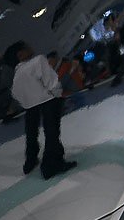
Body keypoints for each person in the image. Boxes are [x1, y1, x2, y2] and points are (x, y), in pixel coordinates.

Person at [8, 41, 77, 179]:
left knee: (31, 134)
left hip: (30, 106)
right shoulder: (38, 61)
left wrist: (26, 103)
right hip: (48, 101)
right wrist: (57, 94)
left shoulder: (18, 71)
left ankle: (30, 161)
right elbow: (51, 81)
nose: (31, 47)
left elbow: (15, 93)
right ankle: (51, 166)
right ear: (21, 54)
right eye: (26, 47)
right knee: (52, 133)